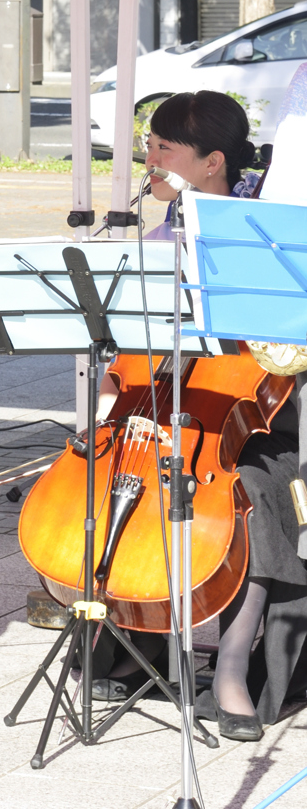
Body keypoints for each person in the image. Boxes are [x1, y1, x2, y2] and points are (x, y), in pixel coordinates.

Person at [95, 91, 307, 742]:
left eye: (165, 148)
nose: (149, 159)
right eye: (149, 145)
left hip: (251, 421)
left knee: (256, 499)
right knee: (113, 481)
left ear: (212, 161)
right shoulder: (149, 235)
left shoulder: (264, 234)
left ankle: (233, 671)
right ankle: (129, 650)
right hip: (162, 415)